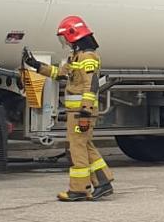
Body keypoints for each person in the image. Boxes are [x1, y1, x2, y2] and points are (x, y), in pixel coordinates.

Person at [24, 15, 114, 202]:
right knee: (84, 146)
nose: (64, 41)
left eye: (65, 37)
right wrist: (36, 65)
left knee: (76, 148)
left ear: (74, 35)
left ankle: (79, 189)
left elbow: (91, 84)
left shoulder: (88, 57)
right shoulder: (76, 57)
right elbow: (59, 74)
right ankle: (103, 182)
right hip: (77, 112)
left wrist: (85, 111)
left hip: (82, 113)